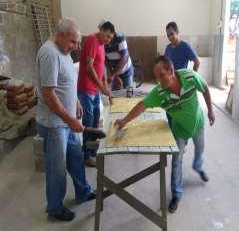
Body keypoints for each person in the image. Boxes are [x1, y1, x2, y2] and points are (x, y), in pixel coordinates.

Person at [114, 55, 215, 213]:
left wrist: (210, 110)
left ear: (171, 70)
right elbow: (142, 105)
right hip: (180, 130)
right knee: (177, 161)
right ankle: (176, 194)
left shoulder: (190, 77)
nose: (159, 81)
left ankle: (197, 166)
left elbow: (205, 88)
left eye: (162, 75)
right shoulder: (160, 92)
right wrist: (124, 121)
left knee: (200, 148)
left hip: (198, 124)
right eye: (157, 77)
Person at [36, 18, 95, 222]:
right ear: (59, 35)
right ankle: (54, 207)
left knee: (76, 158)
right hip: (55, 125)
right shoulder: (50, 54)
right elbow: (49, 95)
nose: (76, 46)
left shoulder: (65, 53)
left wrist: (76, 101)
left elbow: (67, 82)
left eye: (77, 42)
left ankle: (83, 192)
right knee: (57, 168)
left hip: (65, 122)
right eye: (72, 42)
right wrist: (70, 120)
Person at [77, 21, 115, 167]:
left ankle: (92, 151)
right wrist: (102, 87)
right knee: (88, 123)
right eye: (107, 36)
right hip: (86, 89)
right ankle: (86, 156)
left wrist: (104, 82)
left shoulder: (101, 44)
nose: (108, 40)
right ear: (102, 30)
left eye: (110, 38)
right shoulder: (92, 40)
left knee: (95, 121)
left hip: (94, 90)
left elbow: (101, 65)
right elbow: (89, 68)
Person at [164, 21, 201, 129]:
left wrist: (191, 78)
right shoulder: (168, 48)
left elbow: (197, 61)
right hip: (169, 83)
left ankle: (180, 134)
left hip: (181, 83)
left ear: (177, 32)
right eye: (168, 35)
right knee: (169, 108)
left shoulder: (185, 46)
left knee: (180, 109)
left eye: (171, 34)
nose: (170, 37)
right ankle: (171, 131)